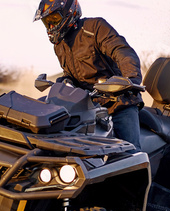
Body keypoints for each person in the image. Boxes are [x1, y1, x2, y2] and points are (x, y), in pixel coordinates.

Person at [34, 0, 143, 151]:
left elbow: (123, 51)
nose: (51, 27)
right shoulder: (60, 44)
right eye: (47, 22)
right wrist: (64, 82)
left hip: (118, 104)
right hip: (86, 107)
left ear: (69, 12)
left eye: (55, 20)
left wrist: (131, 79)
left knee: (130, 152)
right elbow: (70, 73)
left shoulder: (95, 28)